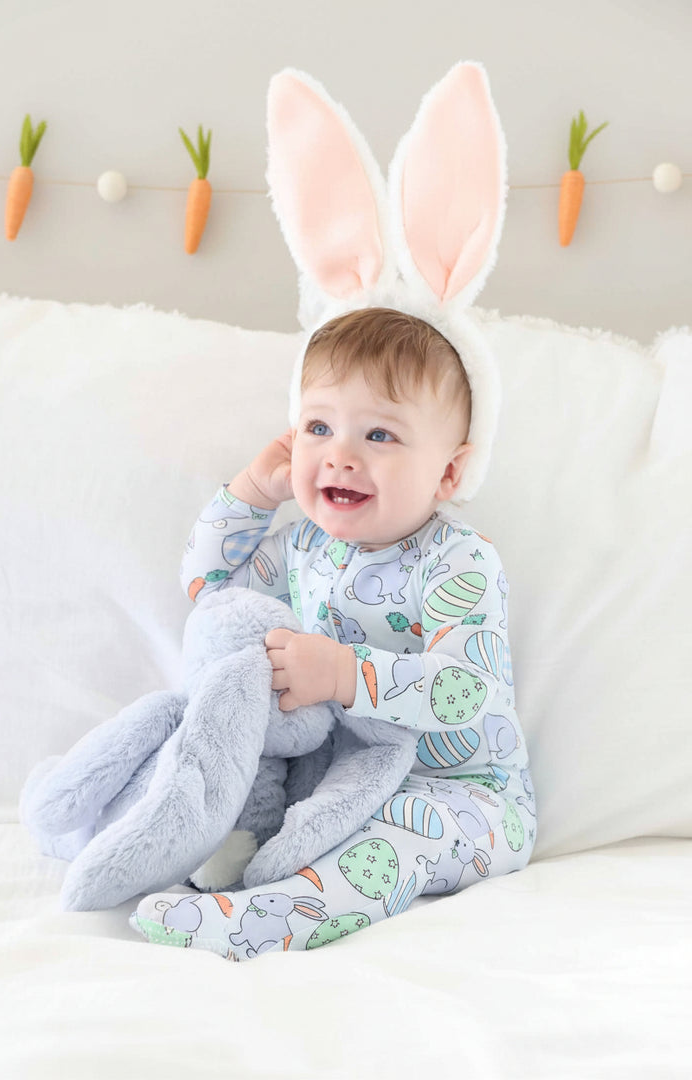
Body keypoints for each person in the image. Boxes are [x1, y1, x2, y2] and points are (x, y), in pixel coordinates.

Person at [130, 307, 536, 959]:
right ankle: (197, 863)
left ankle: (269, 921)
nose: (341, 455)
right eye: (319, 427)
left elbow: (467, 689)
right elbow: (210, 593)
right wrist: (254, 494)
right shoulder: (301, 549)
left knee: (400, 838)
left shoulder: (457, 561)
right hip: (330, 783)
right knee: (224, 769)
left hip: (464, 795)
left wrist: (347, 675)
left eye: (380, 435)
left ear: (449, 474)